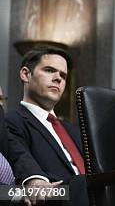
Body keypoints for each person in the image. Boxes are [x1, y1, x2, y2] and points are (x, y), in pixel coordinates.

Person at [5, 44, 88, 205]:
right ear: (25, 74)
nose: (58, 78)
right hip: (58, 198)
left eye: (63, 76)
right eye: (50, 70)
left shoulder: (76, 131)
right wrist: (35, 179)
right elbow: (19, 155)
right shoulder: (12, 121)